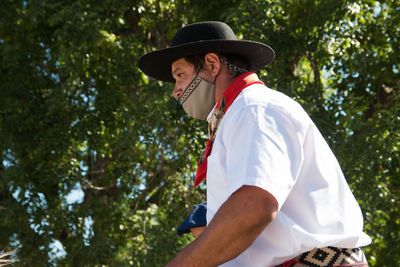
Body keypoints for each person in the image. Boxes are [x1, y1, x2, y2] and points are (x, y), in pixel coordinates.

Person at [138, 21, 371, 267]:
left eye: (180, 75)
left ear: (212, 64)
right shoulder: (240, 113)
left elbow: (255, 206)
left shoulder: (253, 108)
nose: (176, 90)